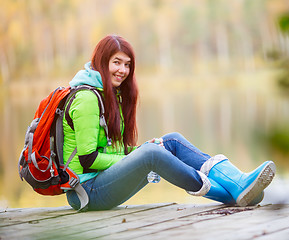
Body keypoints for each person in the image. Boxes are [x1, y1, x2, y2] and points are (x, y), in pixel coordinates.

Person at [64, 35, 276, 211]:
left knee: (171, 141)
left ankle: (237, 182)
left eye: (127, 64)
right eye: (116, 62)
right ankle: (231, 194)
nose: (123, 70)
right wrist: (139, 154)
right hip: (87, 192)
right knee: (152, 154)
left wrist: (136, 151)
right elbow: (88, 159)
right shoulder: (87, 98)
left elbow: (110, 148)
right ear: (102, 62)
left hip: (103, 182)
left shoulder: (108, 94)